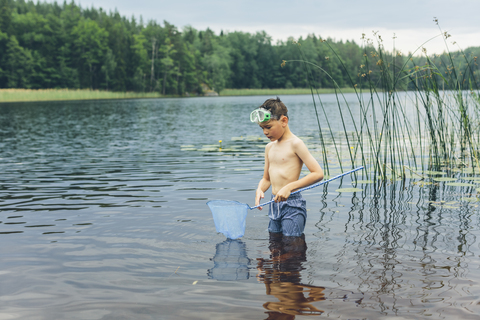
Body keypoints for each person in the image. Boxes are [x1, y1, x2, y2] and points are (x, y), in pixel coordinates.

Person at [251, 97, 324, 237]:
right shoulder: (269, 147)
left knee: (292, 246)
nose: (265, 132)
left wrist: (289, 187)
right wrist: (260, 189)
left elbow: (318, 173)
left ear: (283, 121)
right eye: (262, 128)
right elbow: (267, 178)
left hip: (292, 205)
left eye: (268, 127)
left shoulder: (295, 144)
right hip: (274, 204)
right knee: (274, 243)